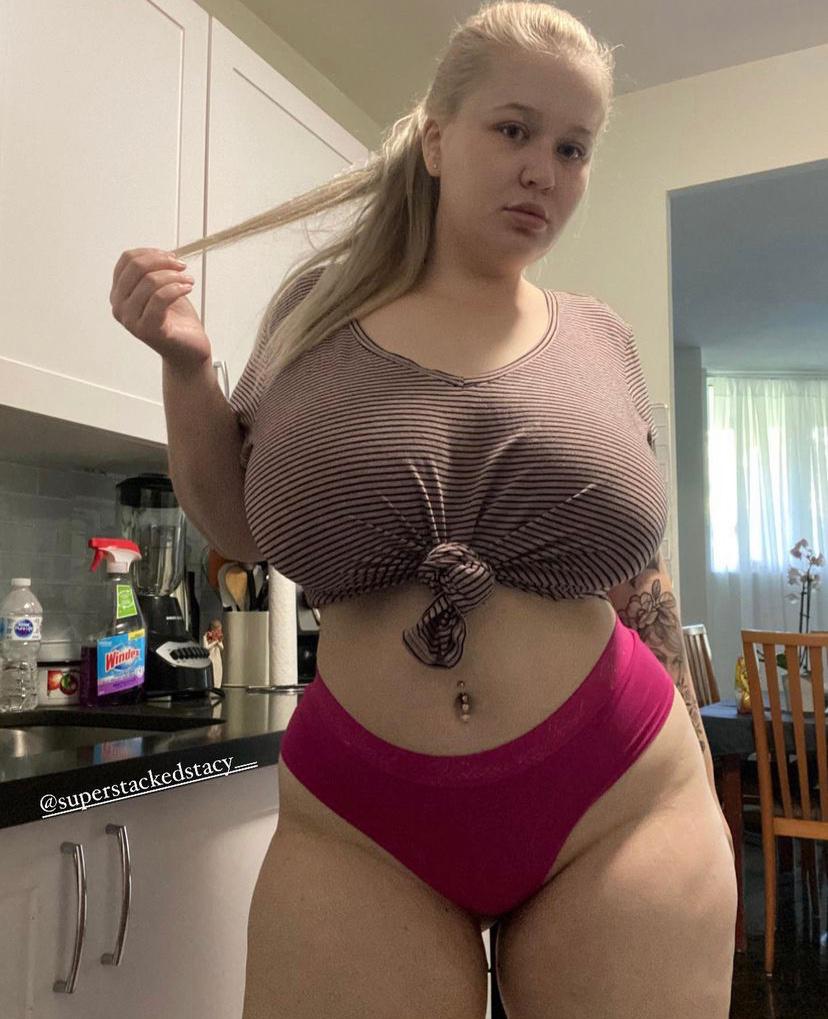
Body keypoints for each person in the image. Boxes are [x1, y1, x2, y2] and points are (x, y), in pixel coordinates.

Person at [109, 2, 737, 1016]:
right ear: (437, 140)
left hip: (615, 794)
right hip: (360, 819)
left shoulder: (601, 338)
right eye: (514, 129)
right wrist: (187, 367)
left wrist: (699, 767)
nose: (544, 170)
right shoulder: (316, 314)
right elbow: (238, 529)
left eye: (573, 148)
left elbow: (638, 578)